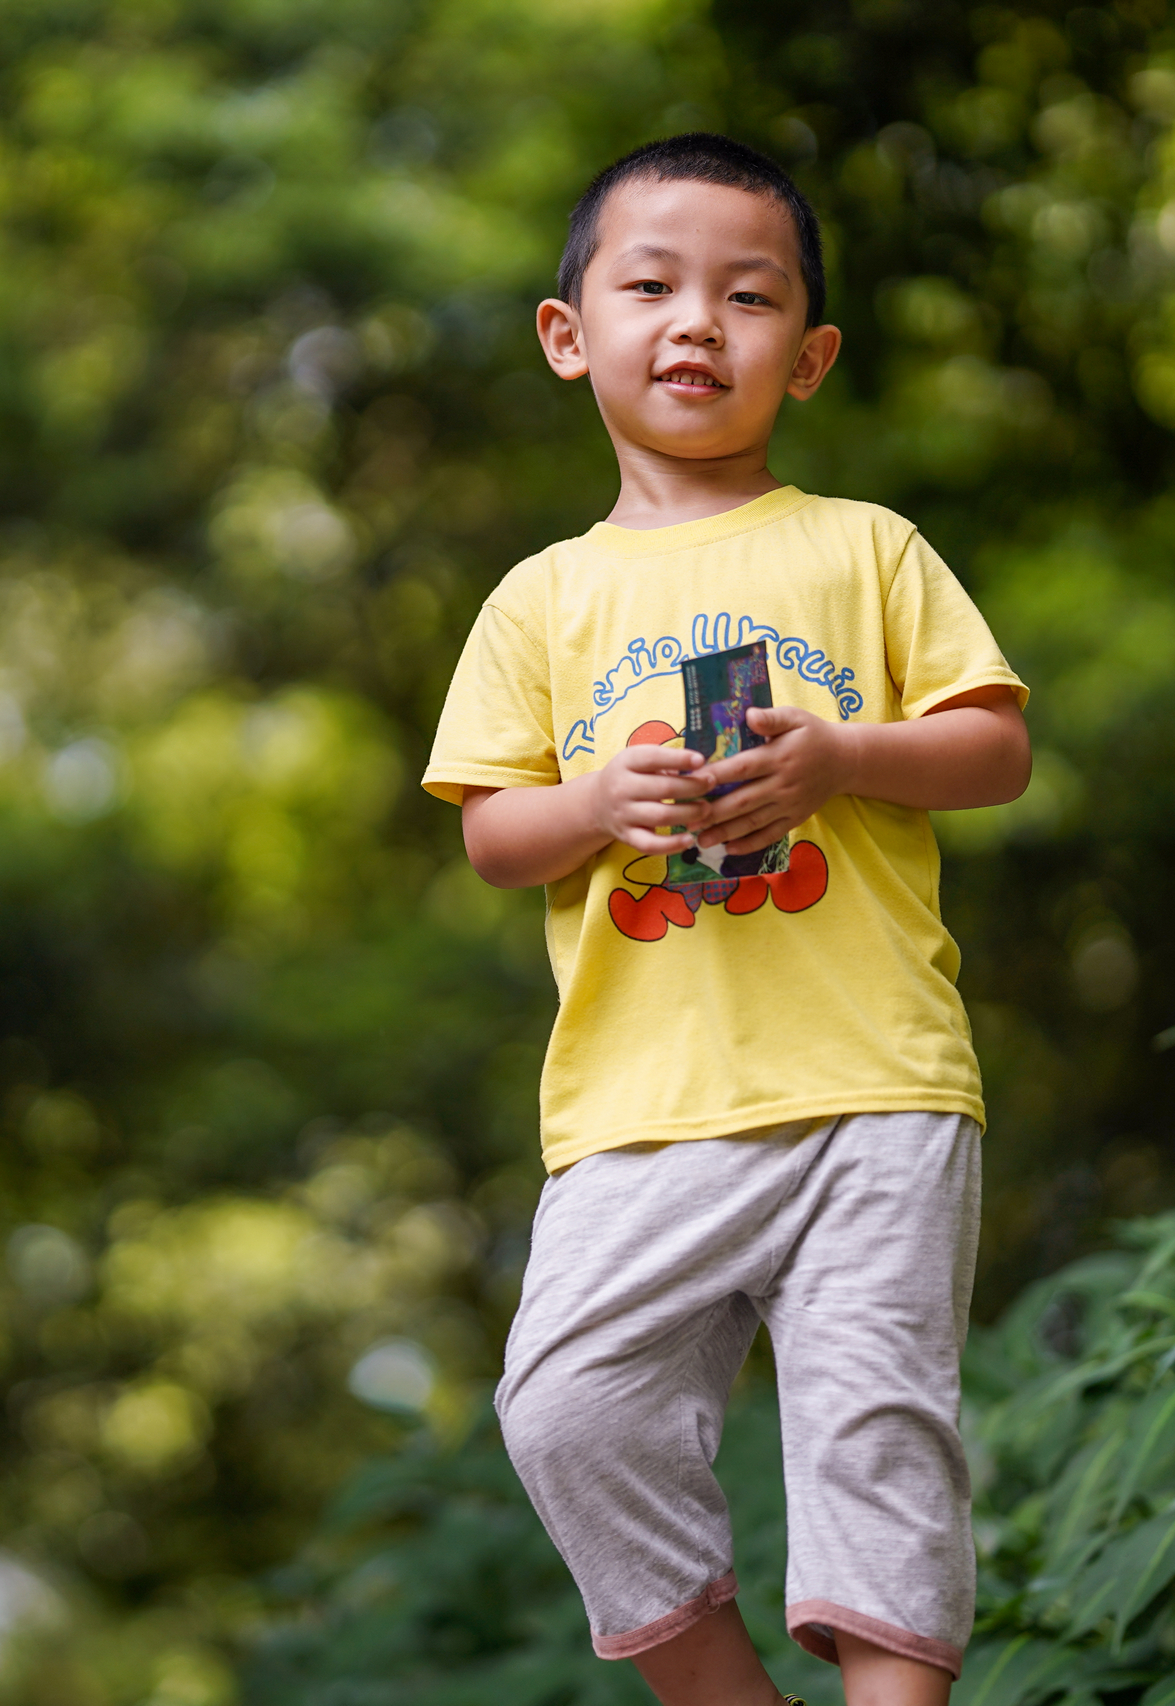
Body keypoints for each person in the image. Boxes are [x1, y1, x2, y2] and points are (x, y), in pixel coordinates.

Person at [420, 133, 1032, 1706]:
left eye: (748, 297)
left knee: (879, 1430)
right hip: (642, 1107)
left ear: (807, 355)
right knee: (568, 1407)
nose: (697, 322)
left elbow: (993, 744)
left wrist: (836, 756)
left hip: (875, 1080)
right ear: (572, 336)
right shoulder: (539, 600)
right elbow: (495, 835)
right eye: (652, 285)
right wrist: (598, 808)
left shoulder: (866, 547)